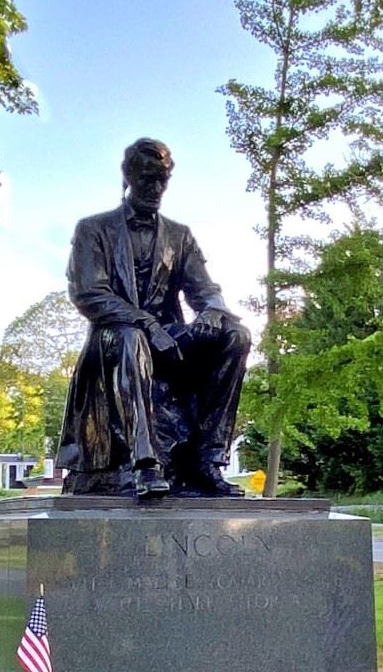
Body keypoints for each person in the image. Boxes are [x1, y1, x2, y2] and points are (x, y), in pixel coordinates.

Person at [56, 138, 251, 498]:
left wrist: (211, 309)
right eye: (148, 179)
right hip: (113, 338)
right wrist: (146, 325)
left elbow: (205, 288)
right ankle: (144, 463)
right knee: (133, 338)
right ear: (128, 176)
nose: (156, 188)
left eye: (162, 180)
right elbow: (90, 293)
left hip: (168, 337)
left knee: (235, 335)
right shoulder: (93, 229)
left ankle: (207, 457)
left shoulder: (179, 236)